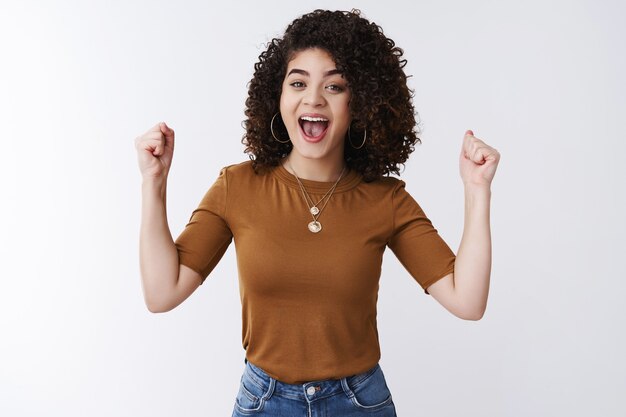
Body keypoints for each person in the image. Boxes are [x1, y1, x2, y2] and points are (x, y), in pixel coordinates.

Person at [134, 9, 500, 417]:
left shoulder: (385, 200)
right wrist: (155, 182)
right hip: (264, 402)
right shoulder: (236, 187)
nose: (313, 99)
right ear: (278, 96)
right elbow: (162, 292)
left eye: (335, 85)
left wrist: (477, 191)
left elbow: (467, 301)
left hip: (360, 402)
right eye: (298, 83)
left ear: (359, 102)